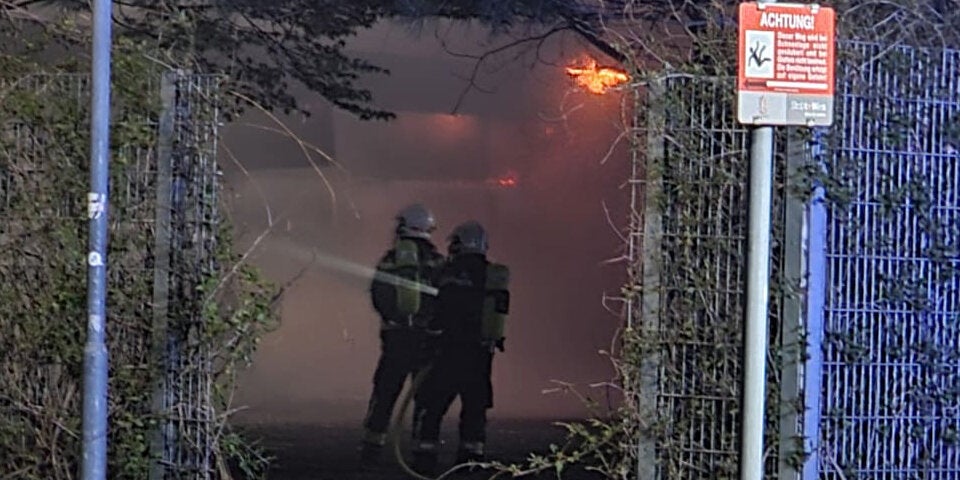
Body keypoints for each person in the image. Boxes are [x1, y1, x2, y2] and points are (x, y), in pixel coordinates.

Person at [412, 221, 510, 475]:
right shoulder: (491, 275)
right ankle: (471, 463)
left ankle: (425, 462)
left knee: (432, 407)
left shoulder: (450, 273)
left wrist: (429, 335)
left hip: (448, 352)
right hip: (480, 356)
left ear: (460, 243)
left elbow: (438, 310)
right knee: (474, 411)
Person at [359, 204, 445, 462]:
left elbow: (378, 293)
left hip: (396, 339)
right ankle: (424, 453)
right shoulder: (439, 262)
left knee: (385, 393)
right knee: (426, 399)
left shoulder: (392, 259)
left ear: (405, 225)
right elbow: (449, 301)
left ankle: (371, 450)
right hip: (428, 341)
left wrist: (393, 318)